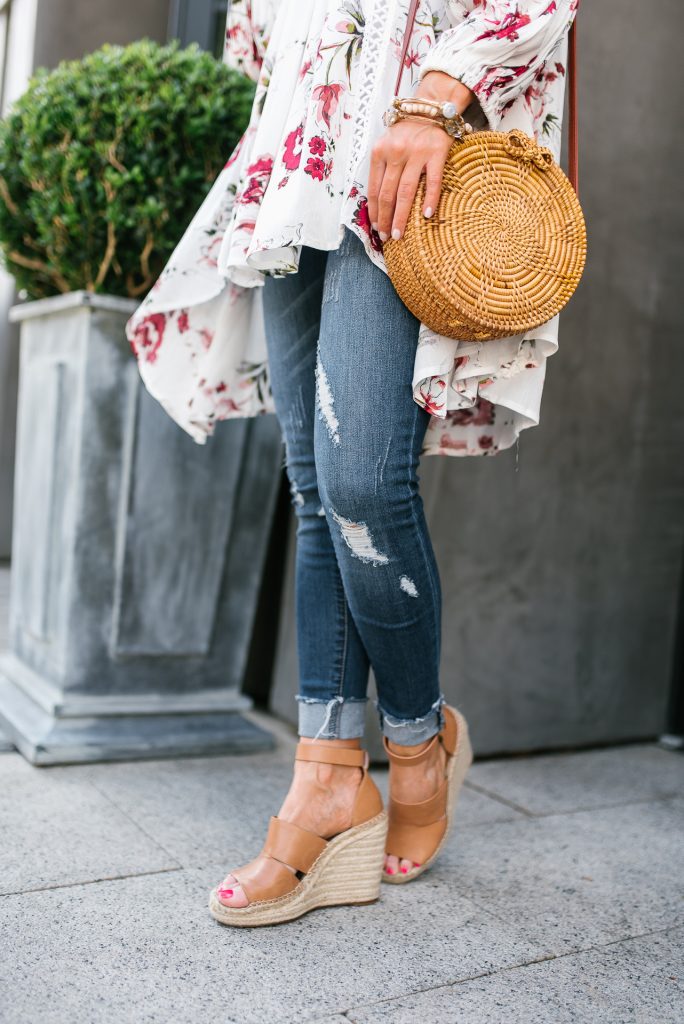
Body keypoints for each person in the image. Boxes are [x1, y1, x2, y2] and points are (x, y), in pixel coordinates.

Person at [126, 0, 578, 927]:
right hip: (297, 155)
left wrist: (437, 95)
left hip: (413, 144)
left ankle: (416, 744)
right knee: (315, 487)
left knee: (365, 485)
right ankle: (327, 777)